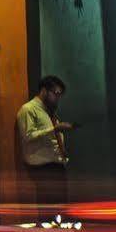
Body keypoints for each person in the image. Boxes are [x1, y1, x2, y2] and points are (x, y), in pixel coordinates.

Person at [17, 75, 73, 217]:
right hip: (43, 166)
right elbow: (27, 136)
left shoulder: (47, 111)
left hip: (55, 164)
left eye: (60, 95)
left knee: (60, 207)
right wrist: (54, 129)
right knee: (49, 208)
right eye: (56, 93)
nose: (58, 98)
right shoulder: (28, 109)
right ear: (44, 91)